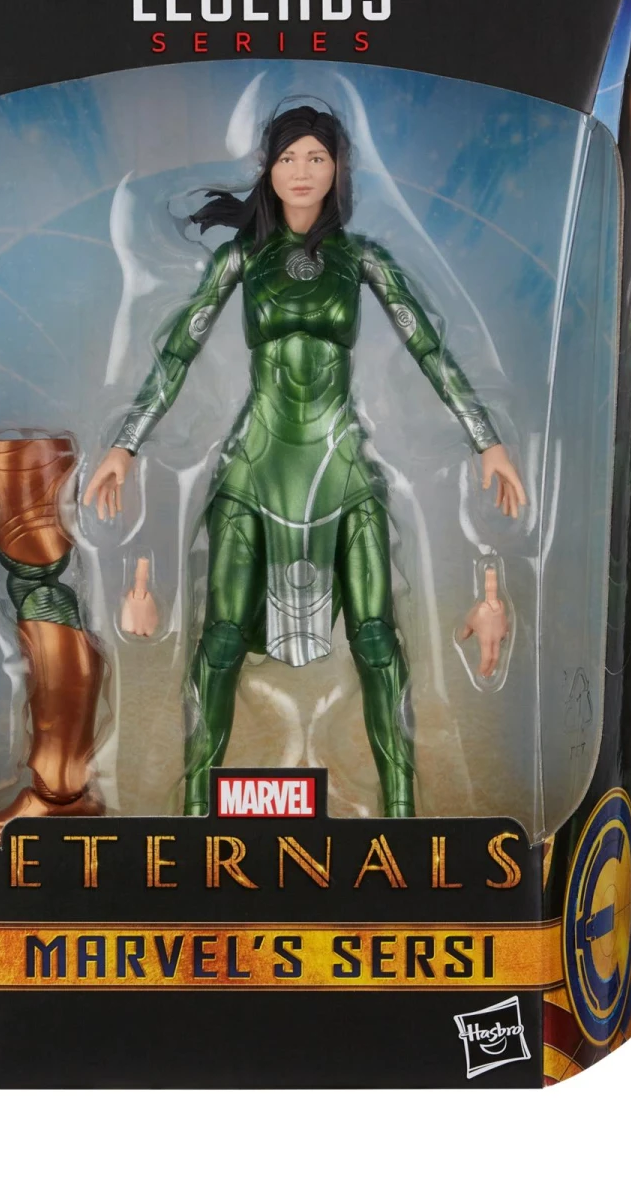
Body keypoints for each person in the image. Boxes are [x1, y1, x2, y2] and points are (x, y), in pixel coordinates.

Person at [84, 104, 525, 818]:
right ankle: (196, 812)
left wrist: (487, 438)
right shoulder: (240, 259)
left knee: (378, 642)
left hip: (341, 463)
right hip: (254, 465)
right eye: (289, 157)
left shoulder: (362, 258)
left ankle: (402, 814)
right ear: (268, 167)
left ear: (337, 169)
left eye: (316, 157)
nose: (301, 171)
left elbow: (427, 346)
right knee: (220, 643)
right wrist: (125, 443)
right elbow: (178, 350)